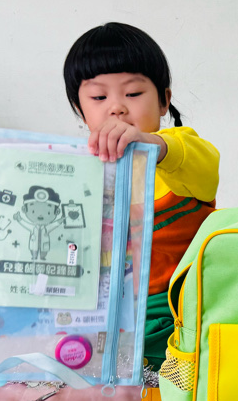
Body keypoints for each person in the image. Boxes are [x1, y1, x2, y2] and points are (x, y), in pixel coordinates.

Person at [63, 22, 219, 375]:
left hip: (176, 306)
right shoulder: (77, 173)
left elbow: (203, 159)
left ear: (164, 100)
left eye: (133, 93)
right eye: (99, 97)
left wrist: (154, 145)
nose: (117, 108)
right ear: (79, 108)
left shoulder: (176, 154)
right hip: (106, 307)